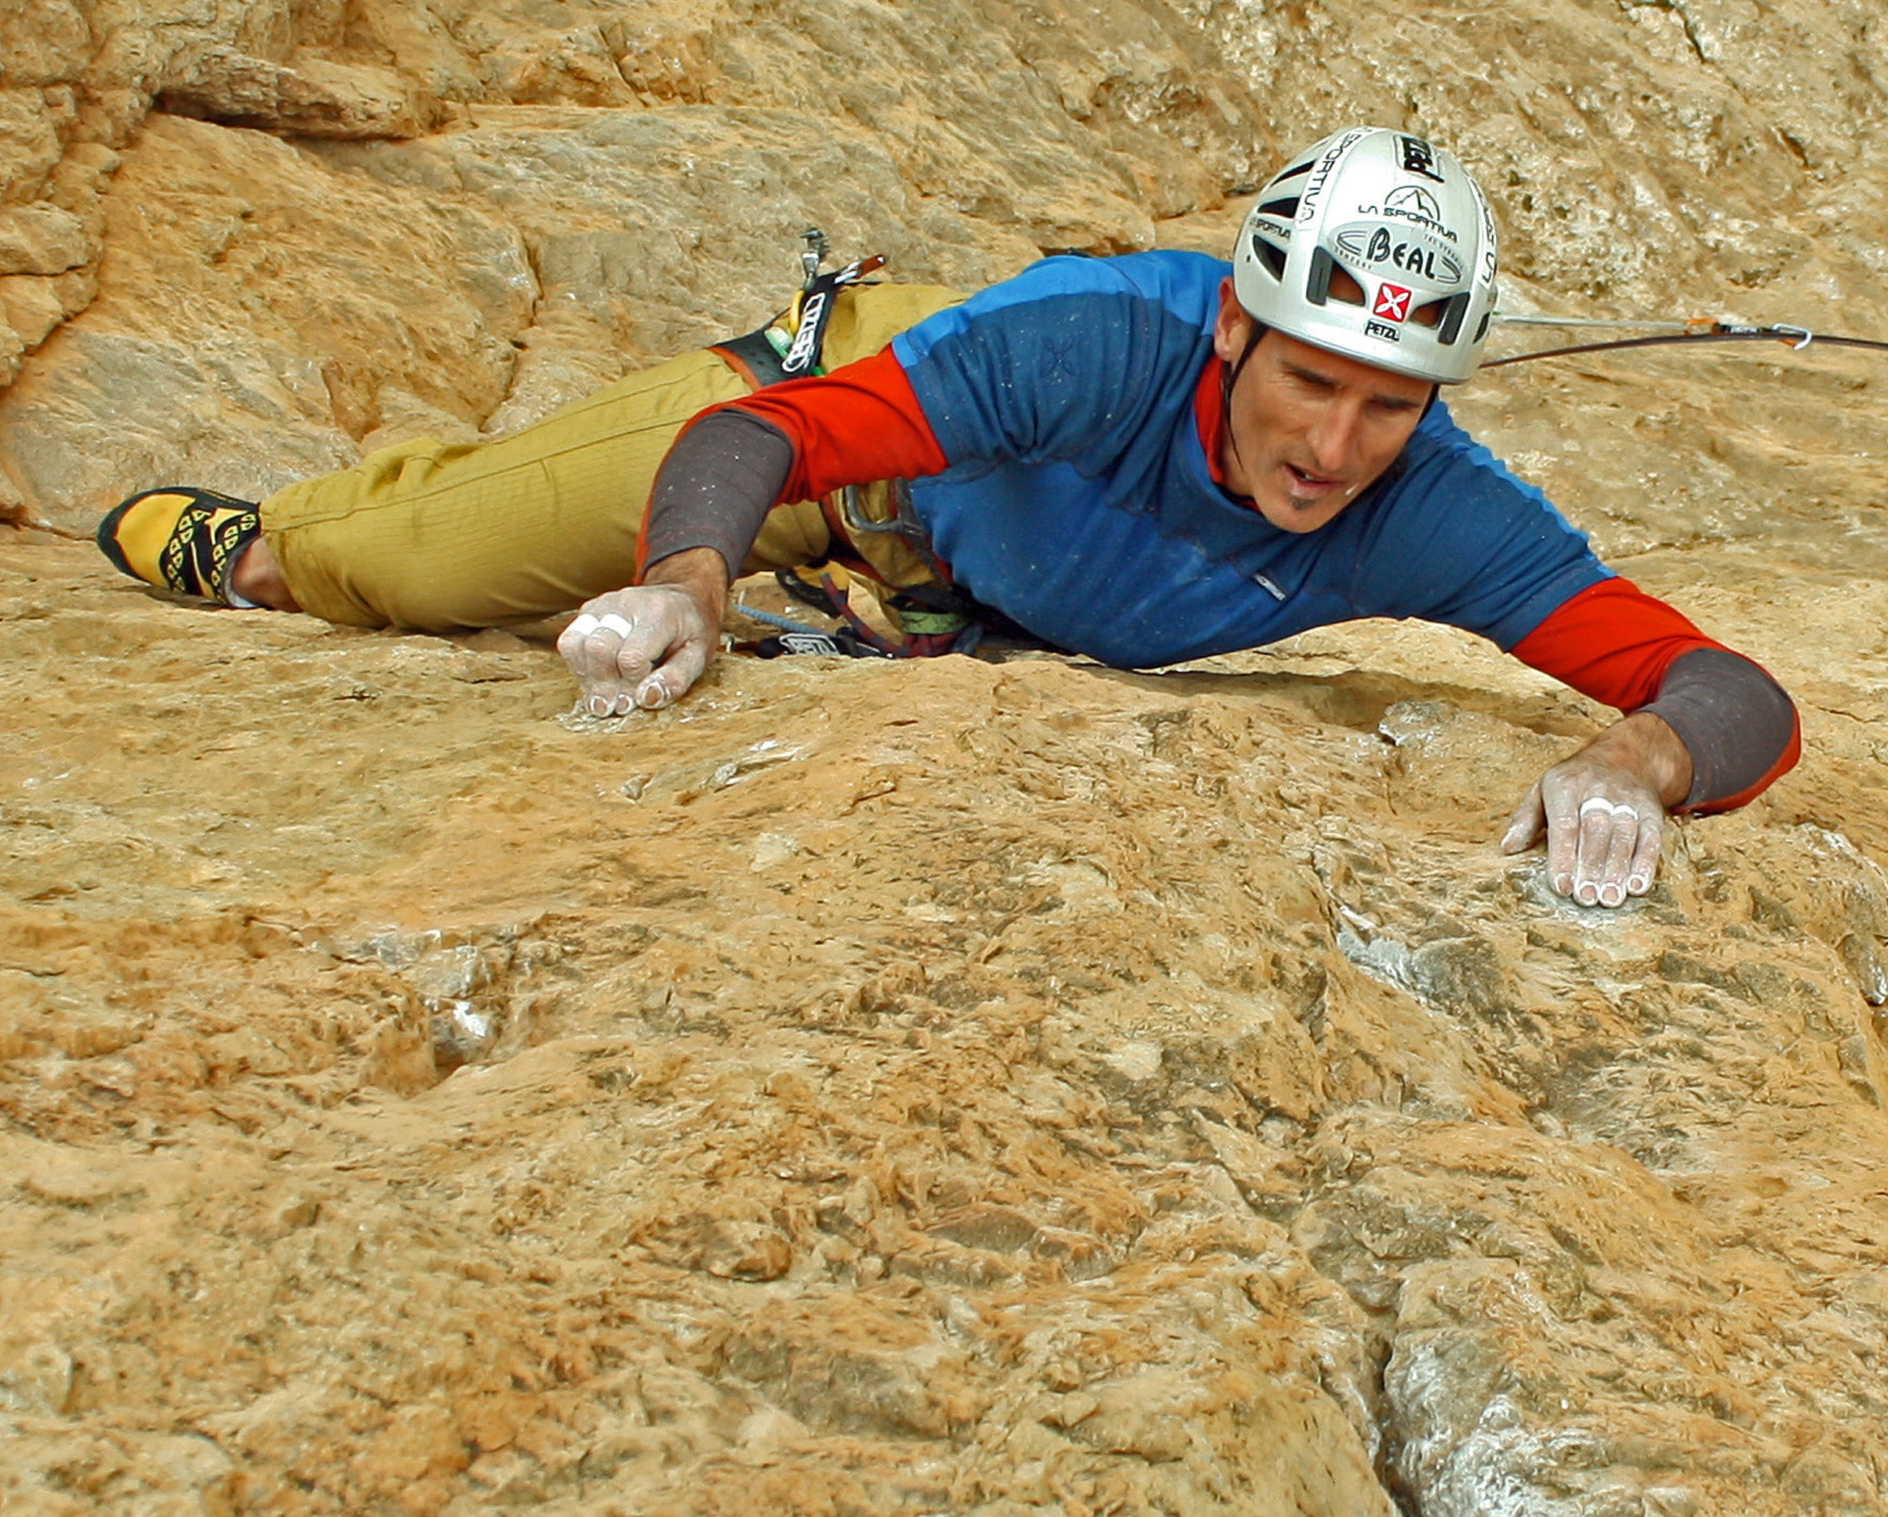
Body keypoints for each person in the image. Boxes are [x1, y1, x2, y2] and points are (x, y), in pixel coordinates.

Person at [94, 128, 1795, 909]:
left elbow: (1730, 693)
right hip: (838, 454)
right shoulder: (1095, 336)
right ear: (1229, 324)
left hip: (950, 574)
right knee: (410, 569)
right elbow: (769, 431)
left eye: (1386, 402)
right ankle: (263, 541)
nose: (1333, 445)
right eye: (1306, 382)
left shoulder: (1425, 506)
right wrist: (691, 567)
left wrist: (1634, 760)